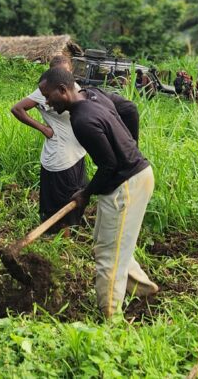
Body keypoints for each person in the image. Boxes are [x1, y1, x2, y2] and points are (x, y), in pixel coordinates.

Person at [37, 67, 157, 318]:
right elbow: (130, 109)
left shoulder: (82, 122)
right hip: (127, 179)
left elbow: (109, 165)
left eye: (48, 96)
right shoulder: (93, 93)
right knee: (104, 245)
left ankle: (111, 318)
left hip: (127, 184)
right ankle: (142, 288)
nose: (46, 102)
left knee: (109, 257)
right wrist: (130, 144)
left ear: (63, 90)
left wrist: (85, 193)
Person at [10, 56, 88, 232]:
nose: (65, 76)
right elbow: (17, 109)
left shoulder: (73, 88)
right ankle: (56, 235)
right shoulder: (46, 92)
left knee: (78, 194)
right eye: (60, 72)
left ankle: (69, 232)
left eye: (67, 72)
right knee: (60, 199)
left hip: (77, 153)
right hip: (60, 156)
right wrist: (44, 128)